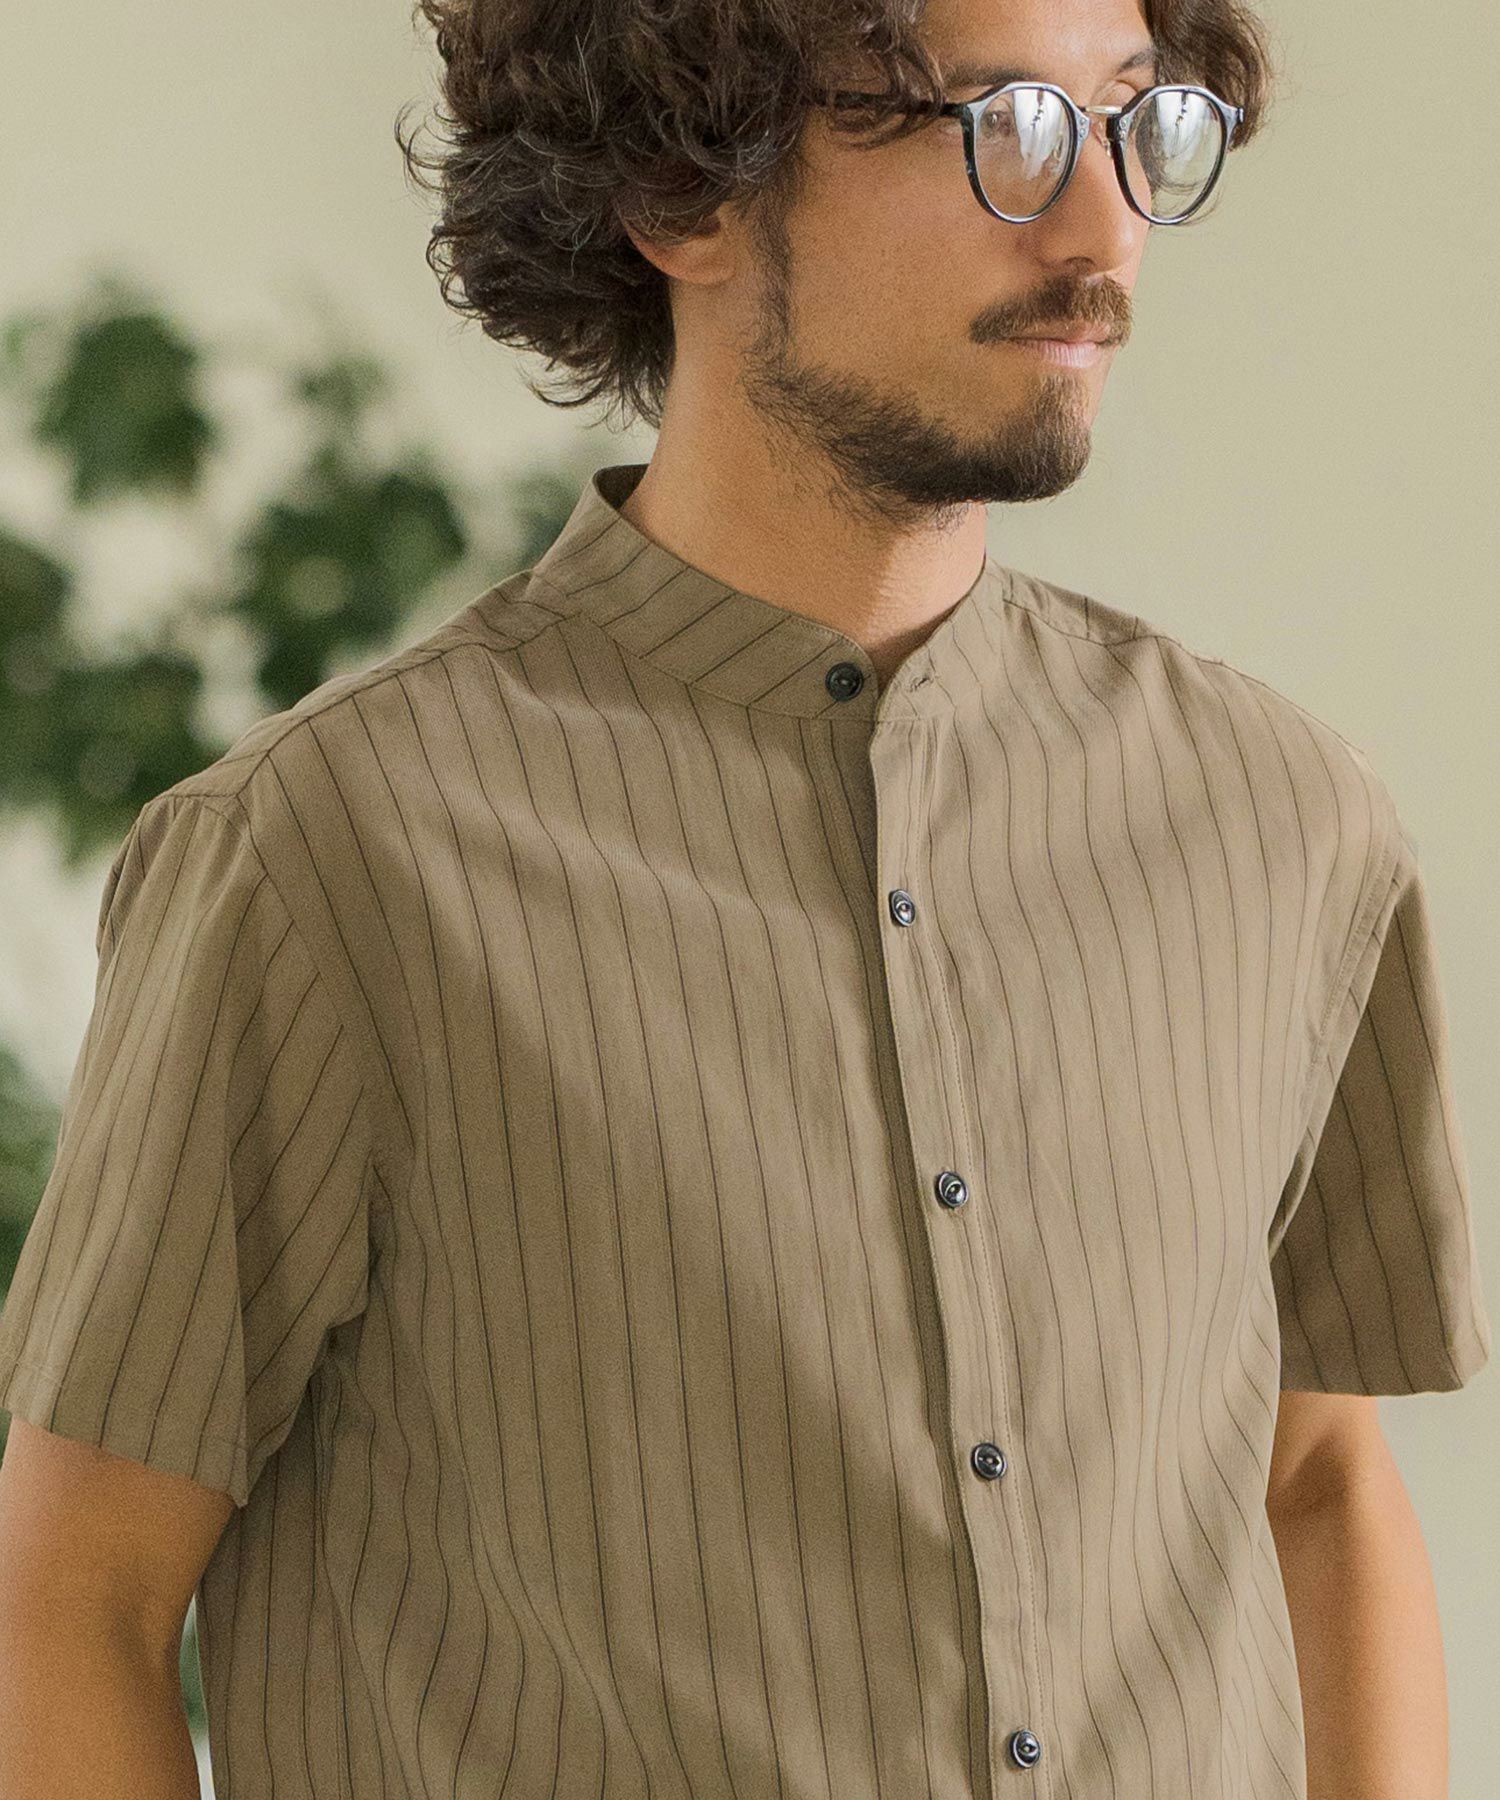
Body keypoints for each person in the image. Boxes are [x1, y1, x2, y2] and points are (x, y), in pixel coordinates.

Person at [0, 0, 1489, 1795]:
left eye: (1133, 123)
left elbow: (1317, 1482)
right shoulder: (335, 859)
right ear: (681, 189)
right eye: (999, 128)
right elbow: (72, 1600)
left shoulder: (1280, 822)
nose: (1102, 230)